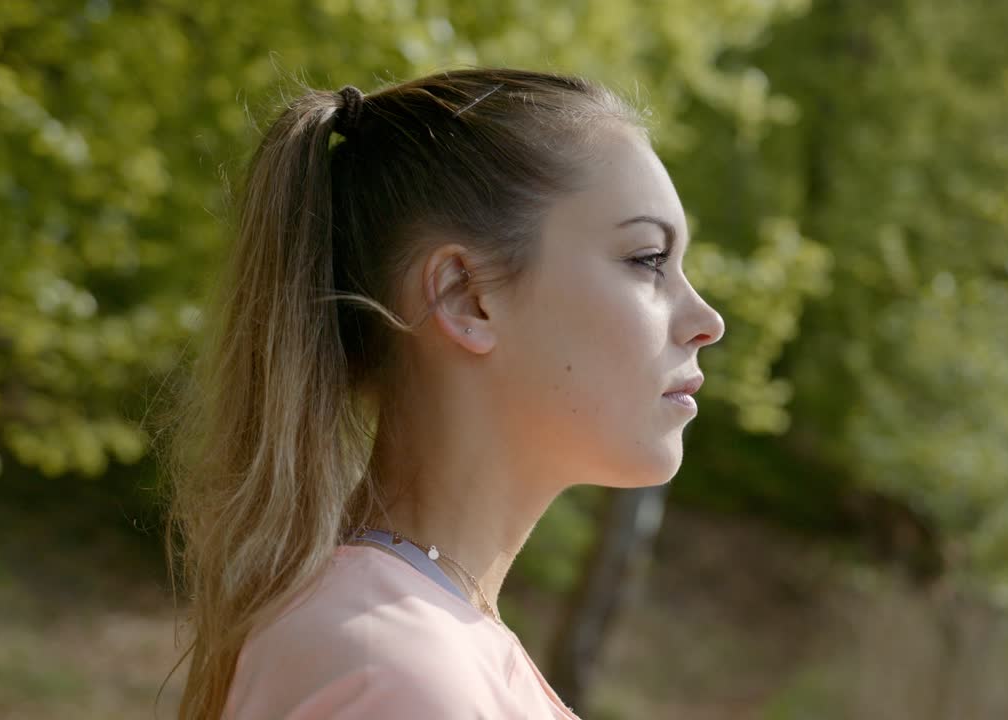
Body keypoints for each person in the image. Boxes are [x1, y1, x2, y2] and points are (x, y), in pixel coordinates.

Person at [161, 66, 724, 719]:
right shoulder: (402, 674)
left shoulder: (413, 640)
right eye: (648, 260)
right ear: (466, 298)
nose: (707, 321)